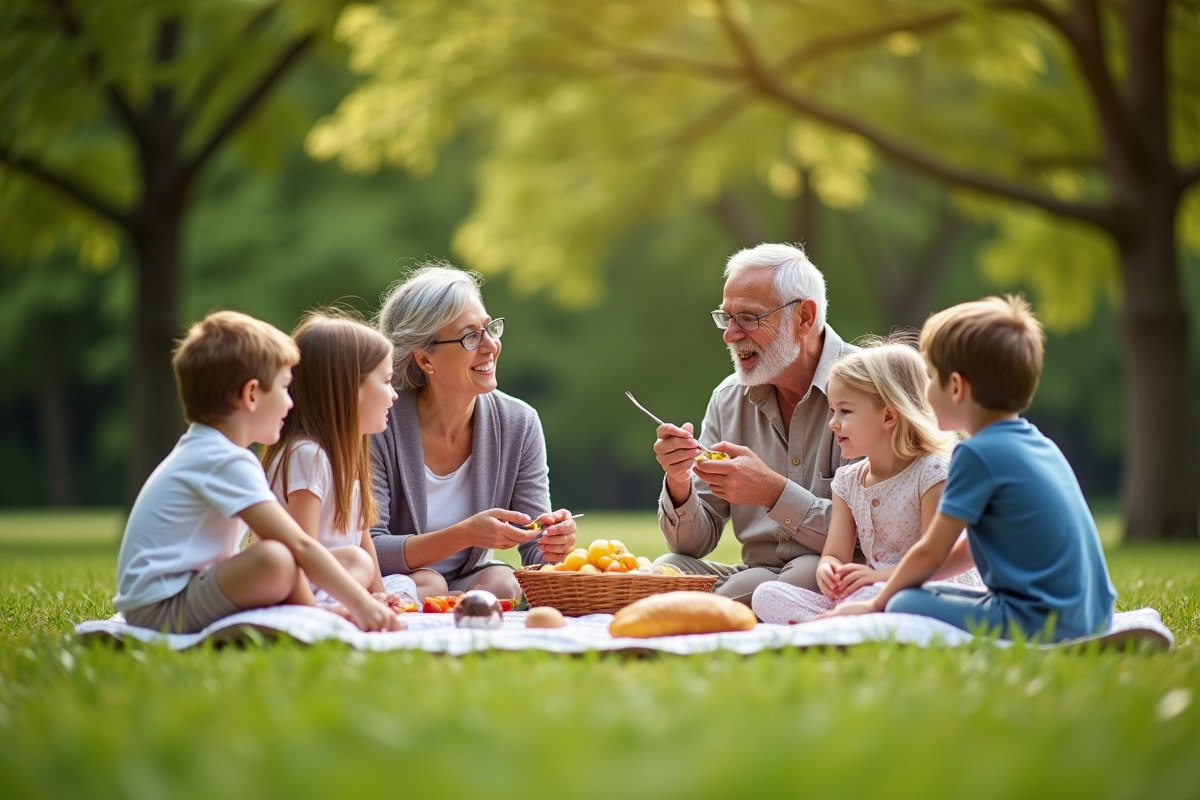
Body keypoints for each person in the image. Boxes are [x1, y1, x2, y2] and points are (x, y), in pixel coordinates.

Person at [825, 296, 1117, 642]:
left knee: (903, 600)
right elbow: (961, 550)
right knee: (910, 594)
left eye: (931, 377)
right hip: (1095, 616)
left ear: (957, 387)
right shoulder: (1040, 444)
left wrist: (876, 603)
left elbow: (931, 552)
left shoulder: (975, 455)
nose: (925, 391)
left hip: (1038, 623)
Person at [113, 311, 403, 634]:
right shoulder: (222, 459)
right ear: (251, 395)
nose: (291, 403)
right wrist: (358, 605)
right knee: (278, 558)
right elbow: (300, 545)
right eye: (283, 388)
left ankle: (313, 612)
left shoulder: (213, 451)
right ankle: (312, 615)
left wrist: (364, 597)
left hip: (170, 599)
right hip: (163, 608)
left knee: (299, 558)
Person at [652, 243, 857, 604]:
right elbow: (693, 544)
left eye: (748, 318)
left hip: (839, 572)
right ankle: (708, 607)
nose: (729, 335)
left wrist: (774, 493)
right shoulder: (728, 398)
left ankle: (698, 610)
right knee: (666, 567)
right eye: (726, 317)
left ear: (804, 318)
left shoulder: (872, 389)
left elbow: (879, 534)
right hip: (755, 576)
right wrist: (679, 480)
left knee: (805, 573)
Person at [370, 262, 577, 601]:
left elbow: (535, 552)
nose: (490, 346)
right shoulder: (378, 422)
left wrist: (554, 542)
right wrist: (466, 534)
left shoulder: (518, 422)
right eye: (470, 337)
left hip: (470, 581)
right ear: (425, 360)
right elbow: (372, 547)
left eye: (489, 328)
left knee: (503, 581)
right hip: (394, 583)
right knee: (431, 584)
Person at [752, 341, 981, 624]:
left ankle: (827, 626)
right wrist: (829, 570)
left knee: (879, 597)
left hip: (927, 591)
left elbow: (933, 561)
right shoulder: (848, 481)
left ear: (888, 416)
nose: (832, 423)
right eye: (832, 411)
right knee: (765, 594)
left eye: (845, 411)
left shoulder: (931, 472)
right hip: (872, 592)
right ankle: (834, 625)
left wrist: (876, 578)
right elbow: (834, 554)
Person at [260, 311, 418, 607]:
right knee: (357, 560)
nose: (394, 395)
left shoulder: (347, 458)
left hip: (336, 580)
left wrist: (377, 594)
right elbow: (301, 551)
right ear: (354, 389)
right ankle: (331, 608)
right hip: (299, 585)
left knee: (409, 580)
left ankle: (346, 601)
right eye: (385, 382)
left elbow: (363, 536)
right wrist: (361, 602)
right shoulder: (308, 456)